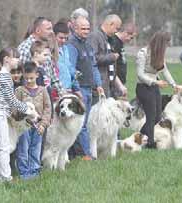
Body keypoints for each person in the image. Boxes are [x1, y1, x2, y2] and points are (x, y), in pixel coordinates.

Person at [0, 47, 34, 182]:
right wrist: (26, 109)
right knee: (4, 147)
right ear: (7, 60)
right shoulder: (4, 76)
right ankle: (6, 177)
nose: (18, 60)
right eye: (16, 58)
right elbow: (11, 99)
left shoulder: (1, 74)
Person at [135, 31, 182, 149]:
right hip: (143, 87)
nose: (167, 46)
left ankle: (139, 138)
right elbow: (140, 74)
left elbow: (165, 71)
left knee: (157, 116)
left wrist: (174, 85)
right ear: (161, 43)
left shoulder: (159, 54)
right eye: (166, 43)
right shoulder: (143, 53)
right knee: (151, 116)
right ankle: (150, 144)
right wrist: (156, 82)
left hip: (155, 87)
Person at [66, 16, 103, 160]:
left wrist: (98, 84)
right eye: (83, 28)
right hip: (79, 89)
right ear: (75, 28)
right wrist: (76, 89)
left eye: (88, 28)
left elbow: (94, 66)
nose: (86, 31)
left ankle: (81, 153)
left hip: (90, 88)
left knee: (84, 123)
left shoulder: (88, 45)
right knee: (79, 124)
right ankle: (84, 154)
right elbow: (71, 68)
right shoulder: (72, 45)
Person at [16, 61, 51, 180]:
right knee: (23, 148)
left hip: (38, 125)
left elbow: (47, 108)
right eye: (26, 78)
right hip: (23, 126)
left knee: (36, 147)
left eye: (31, 78)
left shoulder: (43, 90)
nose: (29, 81)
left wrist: (43, 124)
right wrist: (21, 116)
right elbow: (15, 108)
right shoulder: (20, 91)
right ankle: (24, 172)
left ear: (37, 75)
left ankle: (34, 170)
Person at [88, 14, 127, 100]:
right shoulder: (95, 36)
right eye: (116, 28)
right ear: (111, 24)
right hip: (98, 87)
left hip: (108, 86)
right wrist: (111, 57)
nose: (116, 32)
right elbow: (92, 59)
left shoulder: (109, 39)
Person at [54, 21, 82, 98]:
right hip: (57, 91)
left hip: (68, 89)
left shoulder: (65, 49)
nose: (63, 40)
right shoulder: (50, 51)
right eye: (61, 38)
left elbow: (69, 68)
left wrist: (77, 88)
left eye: (66, 38)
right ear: (54, 36)